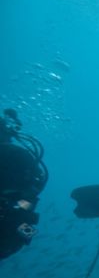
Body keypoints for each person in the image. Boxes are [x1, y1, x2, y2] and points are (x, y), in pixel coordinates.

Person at [0, 108, 48, 260]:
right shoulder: (21, 154)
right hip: (12, 225)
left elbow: (34, 189)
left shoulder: (19, 155)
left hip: (11, 222)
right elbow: (36, 186)